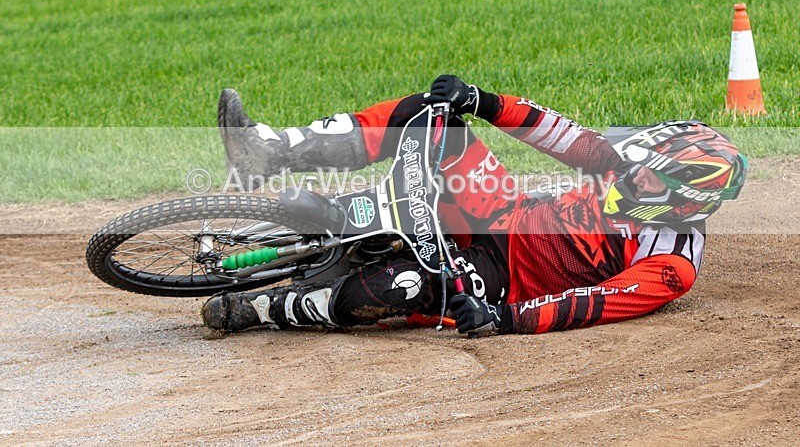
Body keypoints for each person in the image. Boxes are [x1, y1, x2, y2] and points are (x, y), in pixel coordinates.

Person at [201, 75, 747, 335]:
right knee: (431, 115)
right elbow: (555, 133)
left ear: (683, 201)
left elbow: (591, 303)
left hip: (499, 279)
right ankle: (272, 152)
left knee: (401, 288)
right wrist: (481, 102)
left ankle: (268, 309)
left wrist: (501, 319)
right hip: (500, 211)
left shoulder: (671, 265)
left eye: (649, 176)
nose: (632, 173)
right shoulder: (624, 165)